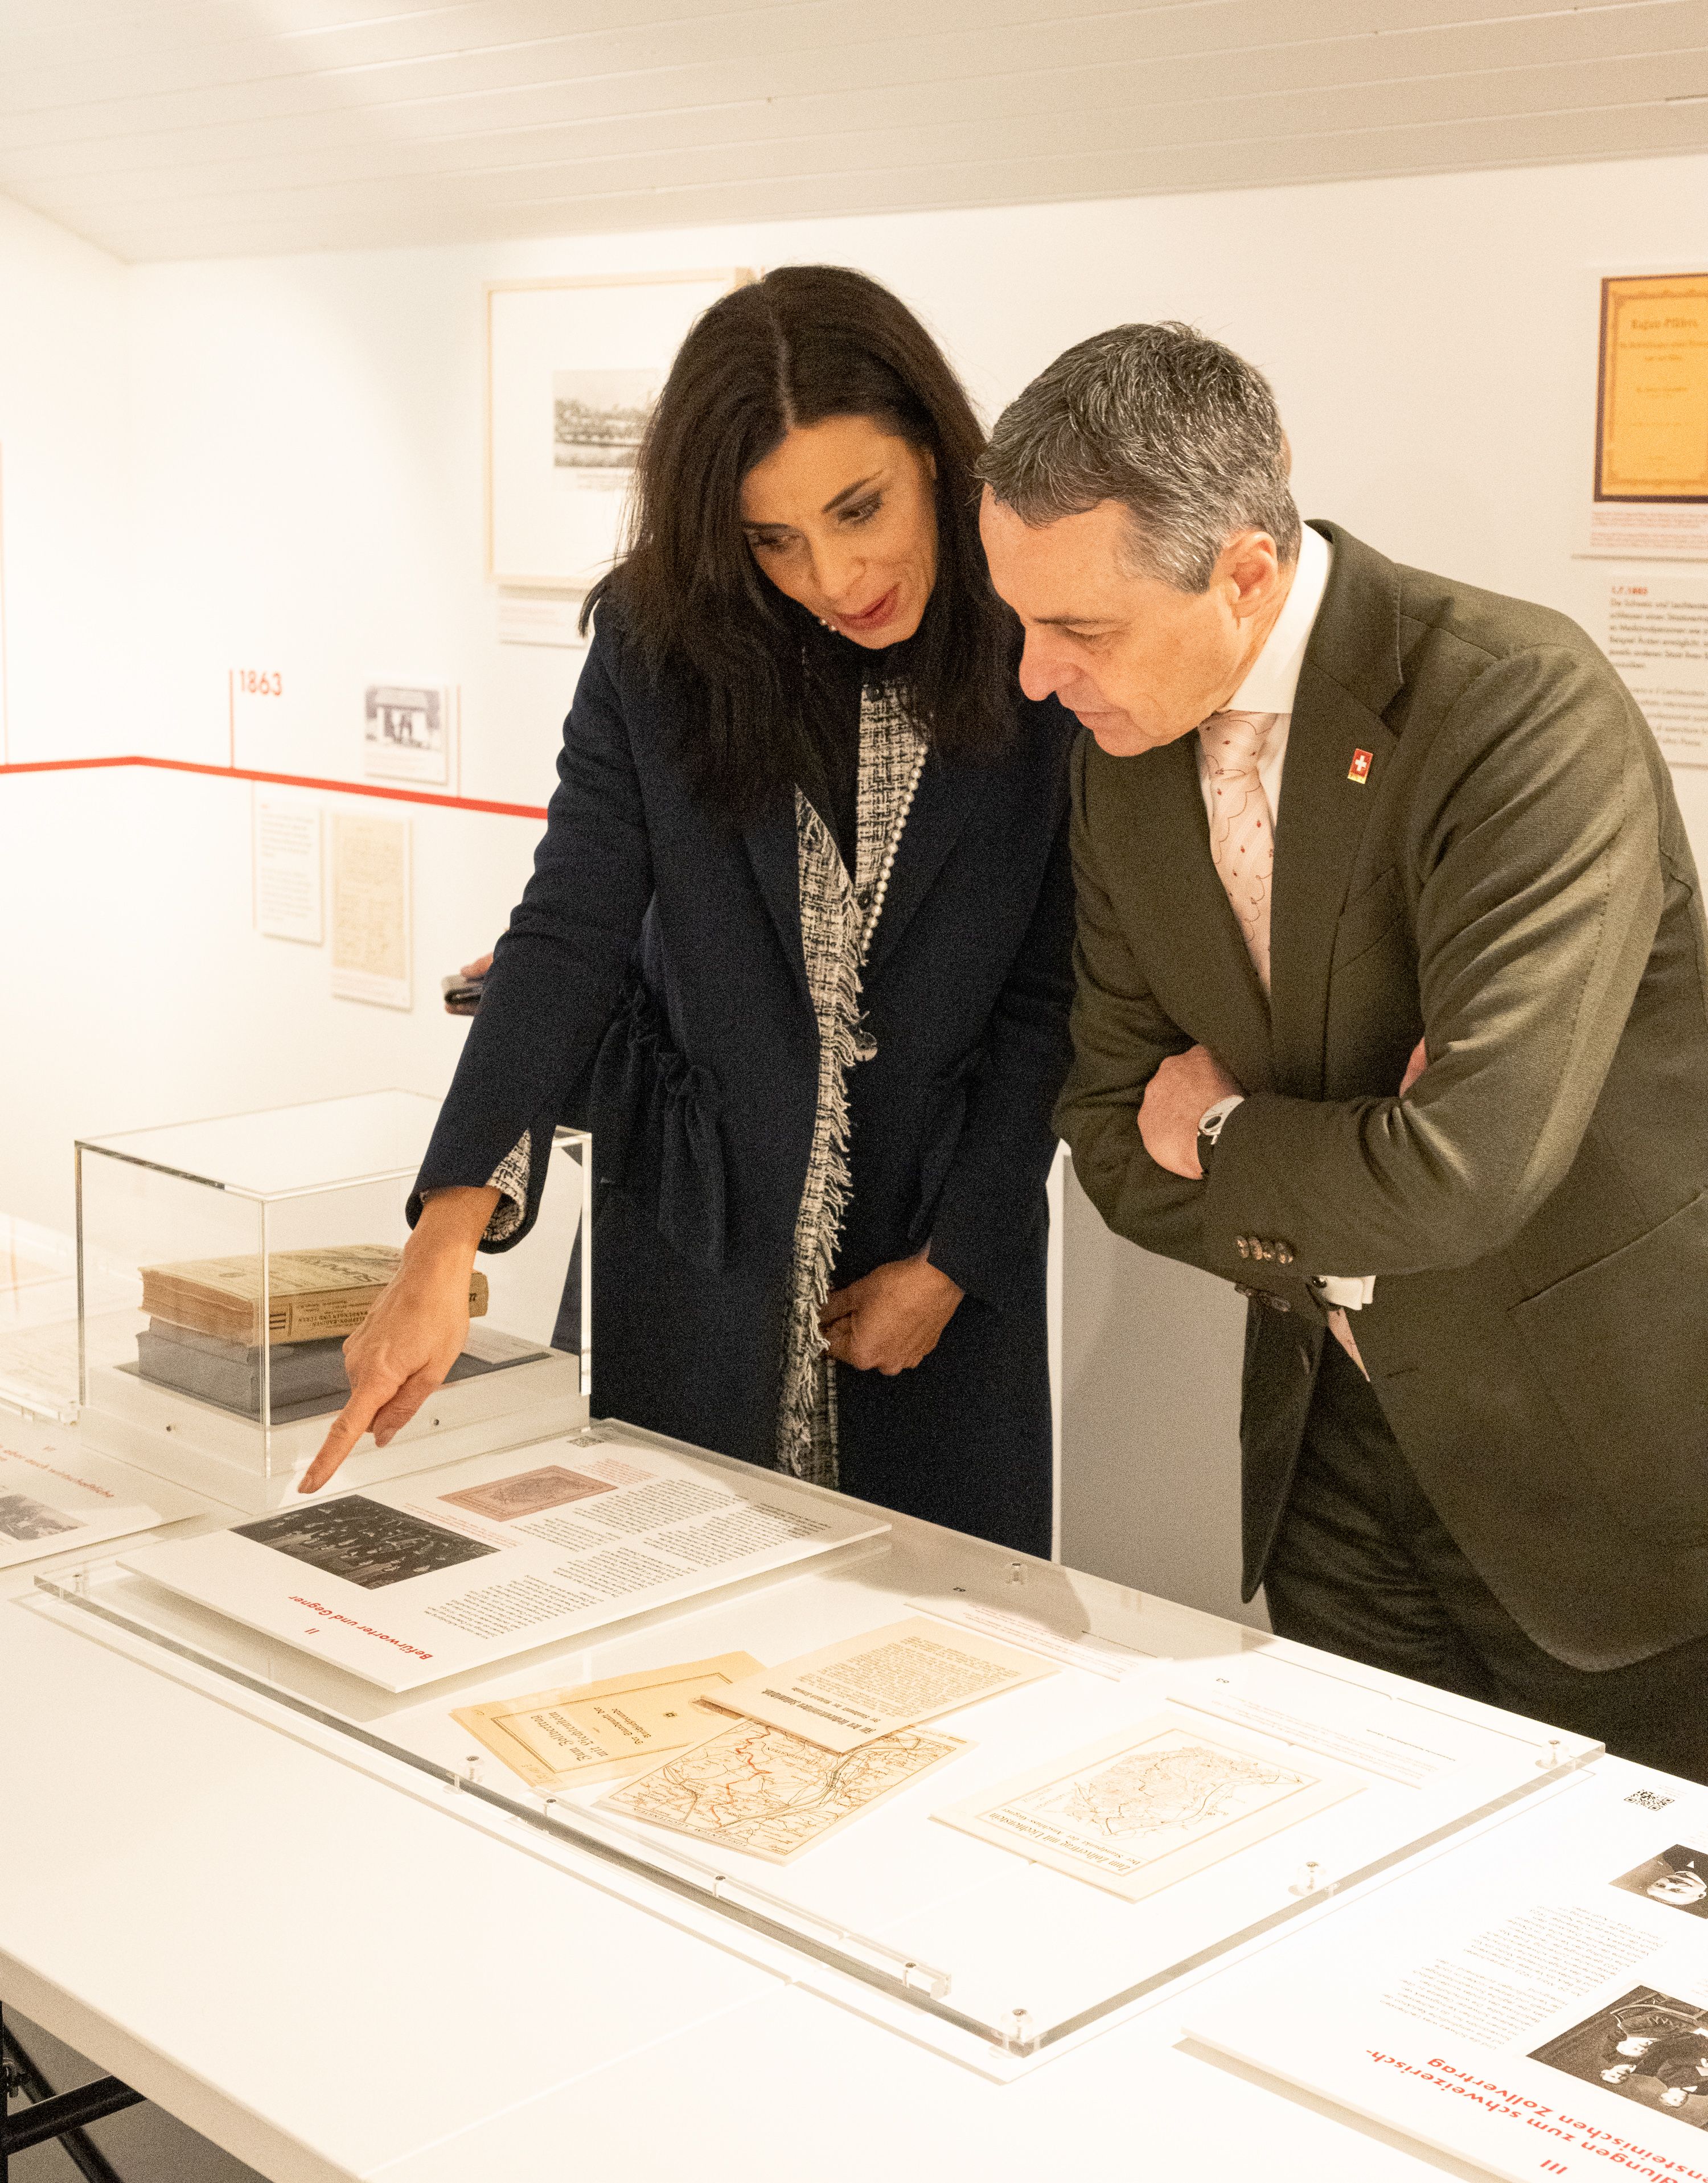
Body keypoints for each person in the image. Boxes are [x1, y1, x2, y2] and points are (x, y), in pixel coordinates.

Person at [975, 319, 1708, 1775]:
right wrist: (1324, 1166)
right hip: (1327, 1456)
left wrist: (1235, 1135)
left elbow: (1468, 1172)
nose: (1033, 676)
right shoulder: (1118, 765)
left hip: (1604, 1483)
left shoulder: (1518, 704)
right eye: (1023, 622)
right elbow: (1115, 1138)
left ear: (1245, 570)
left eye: (1084, 629)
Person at [302, 265, 1074, 1554]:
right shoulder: (662, 645)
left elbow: (1055, 990)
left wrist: (954, 1259)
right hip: (693, 1236)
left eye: (859, 508)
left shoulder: (1038, 642)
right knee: (655, 1604)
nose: (833, 575)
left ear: (937, 454)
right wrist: (441, 1246)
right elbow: (570, 930)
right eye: (775, 540)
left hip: (936, 1249)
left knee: (935, 1657)